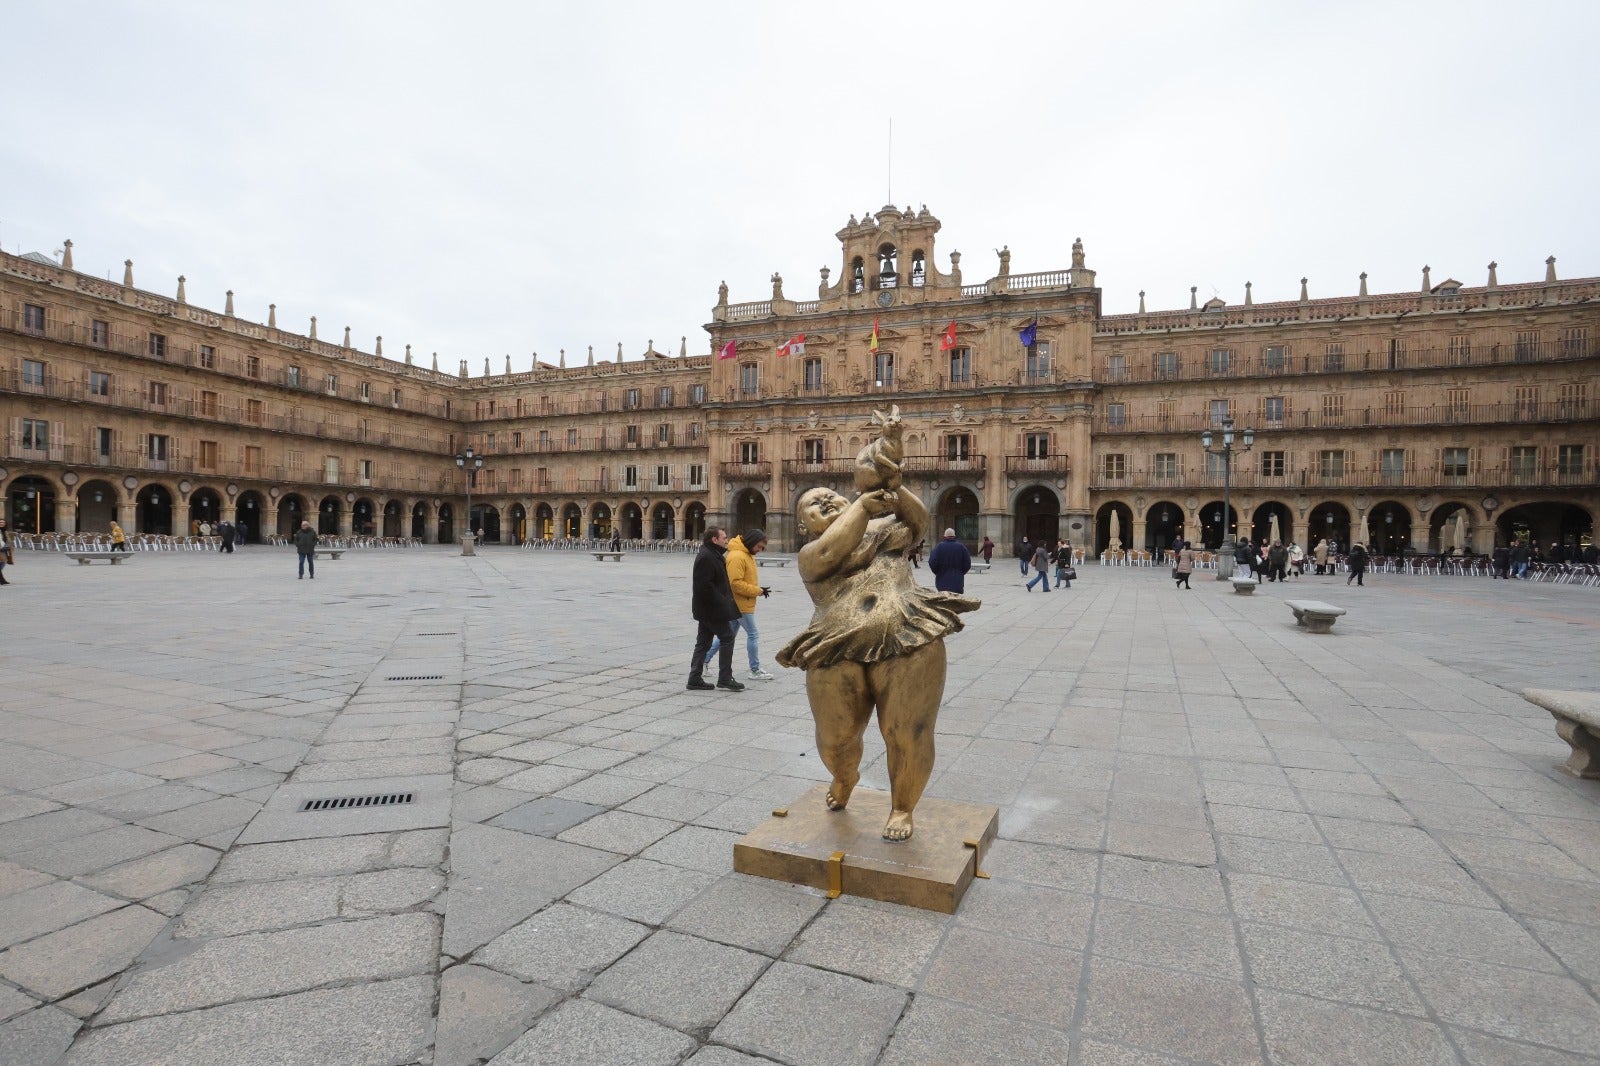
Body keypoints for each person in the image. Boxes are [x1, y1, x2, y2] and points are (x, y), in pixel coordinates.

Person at [776, 483, 978, 840]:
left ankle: (902, 807)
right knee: (834, 739)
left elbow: (917, 521)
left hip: (908, 636)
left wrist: (892, 483)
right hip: (833, 647)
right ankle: (844, 776)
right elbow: (830, 553)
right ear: (803, 528)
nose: (825, 500)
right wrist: (861, 507)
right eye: (812, 504)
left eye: (830, 495)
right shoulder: (811, 552)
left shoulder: (886, 530)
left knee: (908, 733)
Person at [705, 528, 775, 682]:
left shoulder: (745, 554)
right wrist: (757, 591)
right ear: (751, 542)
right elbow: (735, 584)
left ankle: (704, 660)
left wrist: (759, 590)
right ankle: (755, 670)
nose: (760, 550)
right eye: (759, 546)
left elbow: (744, 579)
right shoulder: (737, 556)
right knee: (753, 634)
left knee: (727, 635)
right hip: (739, 603)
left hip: (742, 602)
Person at [687, 526, 744, 691]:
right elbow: (703, 587)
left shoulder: (712, 554)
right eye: (724, 537)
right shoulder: (707, 557)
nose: (727, 540)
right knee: (727, 638)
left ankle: (694, 678)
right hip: (712, 609)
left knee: (703, 643)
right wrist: (723, 601)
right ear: (714, 539)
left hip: (707, 609)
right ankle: (725, 678)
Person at [928, 527, 972, 594]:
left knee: (943, 601)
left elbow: (932, 562)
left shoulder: (939, 547)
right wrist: (960, 572)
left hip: (942, 581)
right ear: (954, 536)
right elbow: (967, 563)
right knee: (956, 602)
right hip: (957, 582)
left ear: (944, 537)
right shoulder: (961, 547)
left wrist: (937, 572)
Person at [0, 518, 11, 584]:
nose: (1, 523)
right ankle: (2, 580)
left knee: (3, 563)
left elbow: (7, 539)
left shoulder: (5, 531)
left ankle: (2, 580)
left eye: (3, 522)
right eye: (0, 522)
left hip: (3, 549)